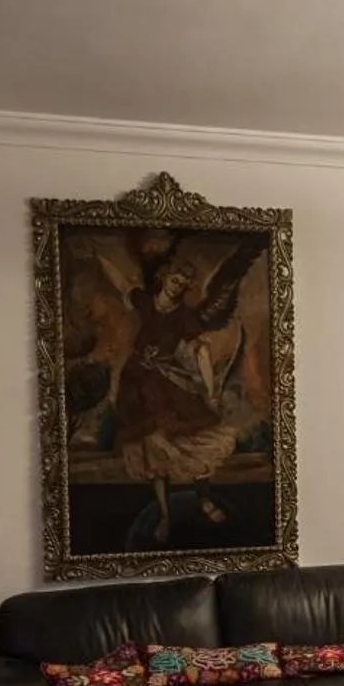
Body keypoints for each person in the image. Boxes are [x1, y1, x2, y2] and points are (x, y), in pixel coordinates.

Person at [105, 232, 265, 544]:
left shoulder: (184, 317)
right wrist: (97, 258)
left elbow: (201, 352)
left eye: (183, 284)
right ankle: (164, 514)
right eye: (175, 279)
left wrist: (210, 388)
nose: (177, 286)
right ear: (165, 278)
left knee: (196, 435)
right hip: (136, 384)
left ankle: (203, 498)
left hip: (165, 383)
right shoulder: (145, 304)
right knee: (152, 451)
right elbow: (120, 283)